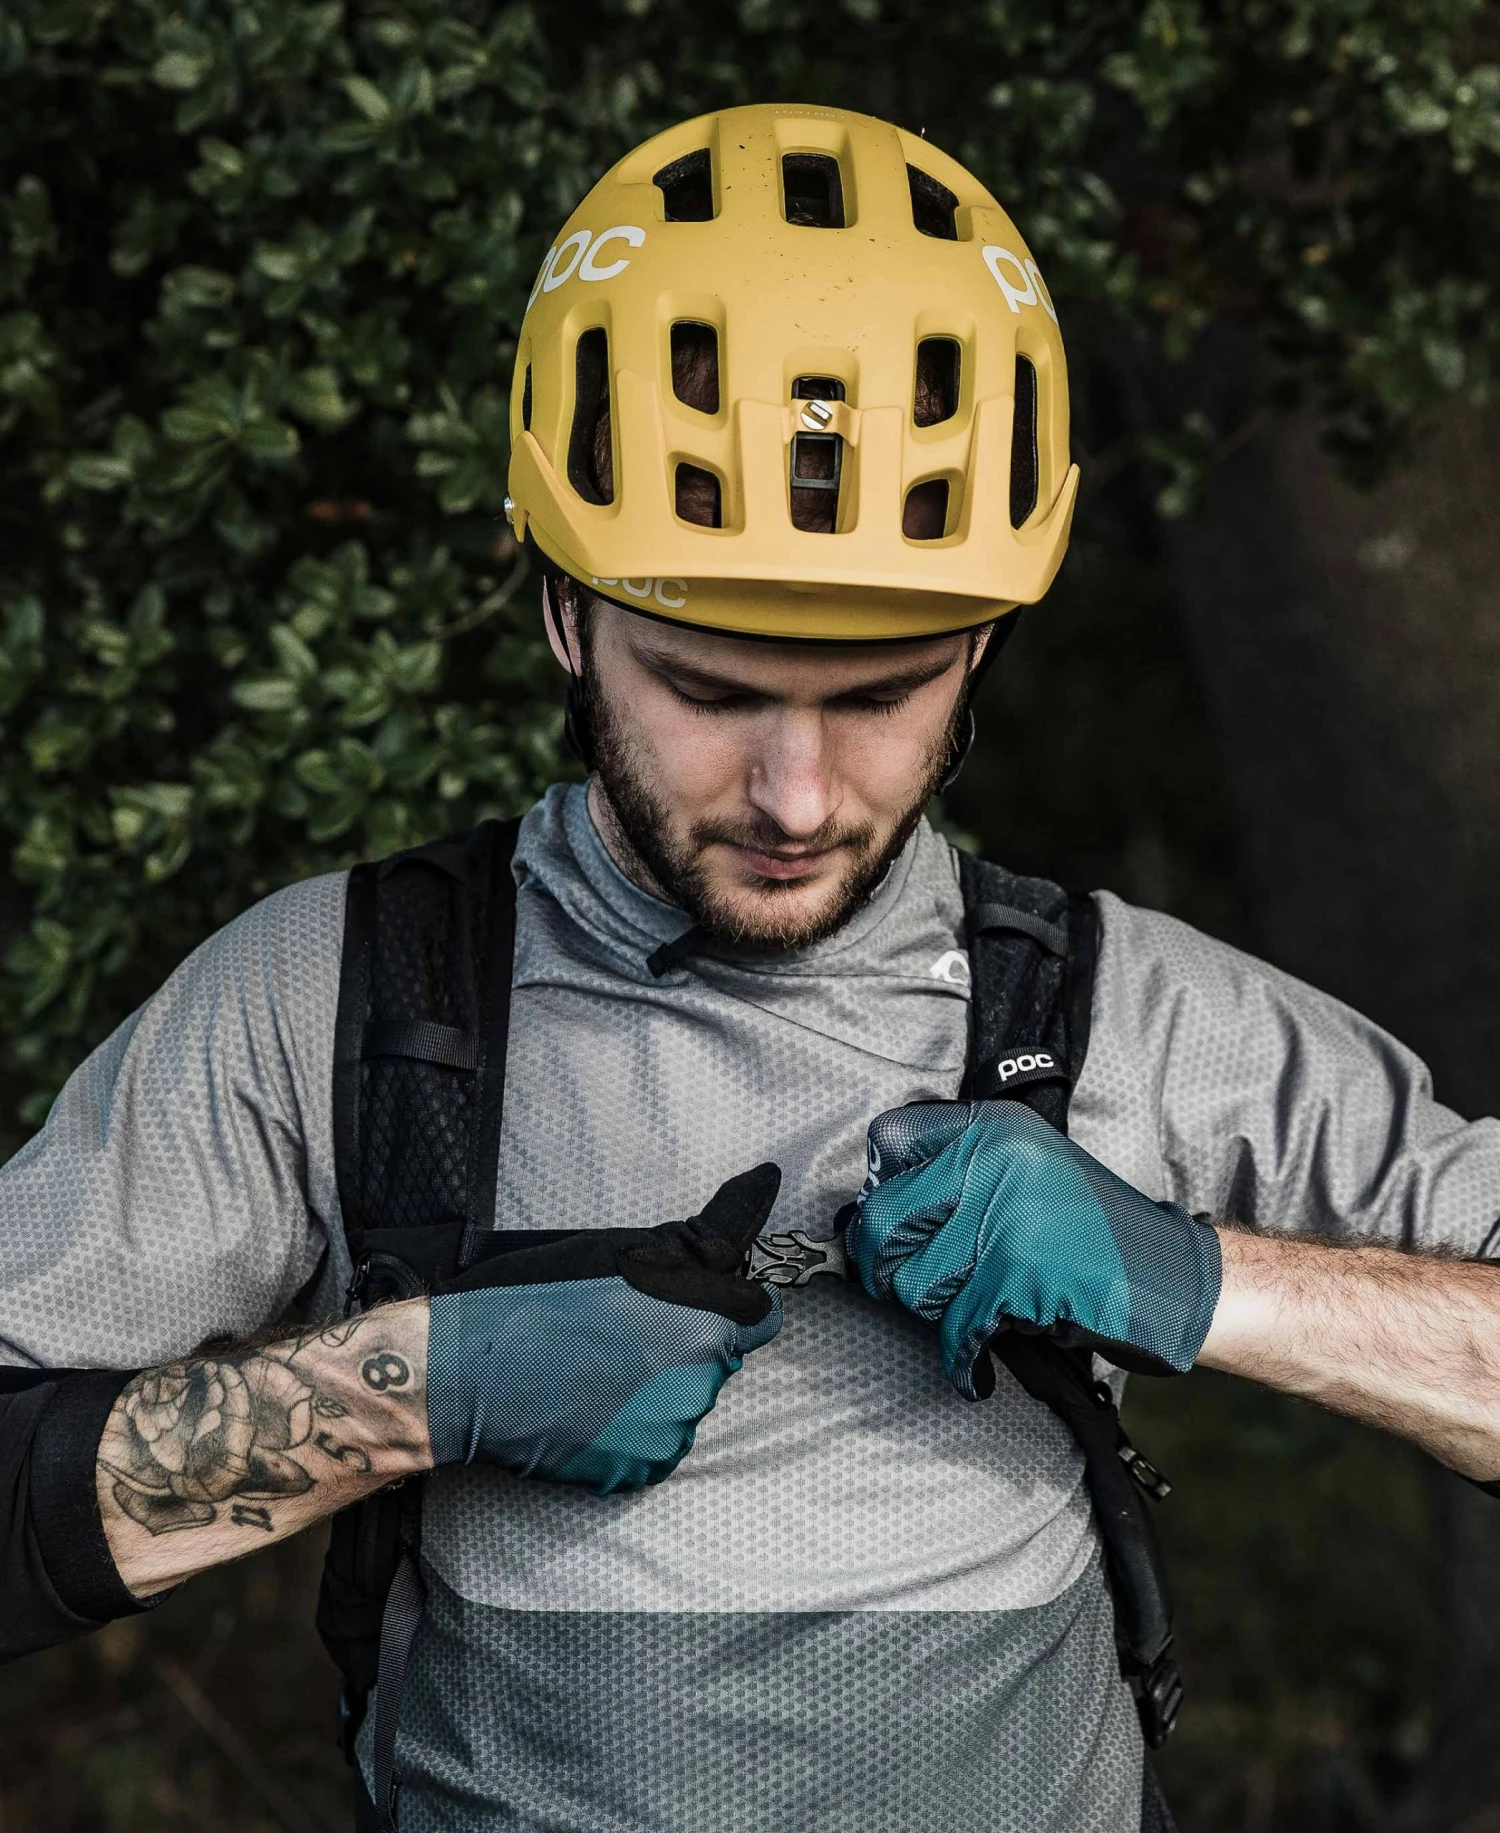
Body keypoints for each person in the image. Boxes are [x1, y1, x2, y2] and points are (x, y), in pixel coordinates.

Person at [2, 101, 1499, 1833]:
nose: (796, 796)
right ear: (565, 611)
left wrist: (1189, 1282)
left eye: (882, 695)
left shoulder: (1122, 1016)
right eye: (708, 690)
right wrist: (415, 1388)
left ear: (984, 645)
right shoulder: (338, 1002)